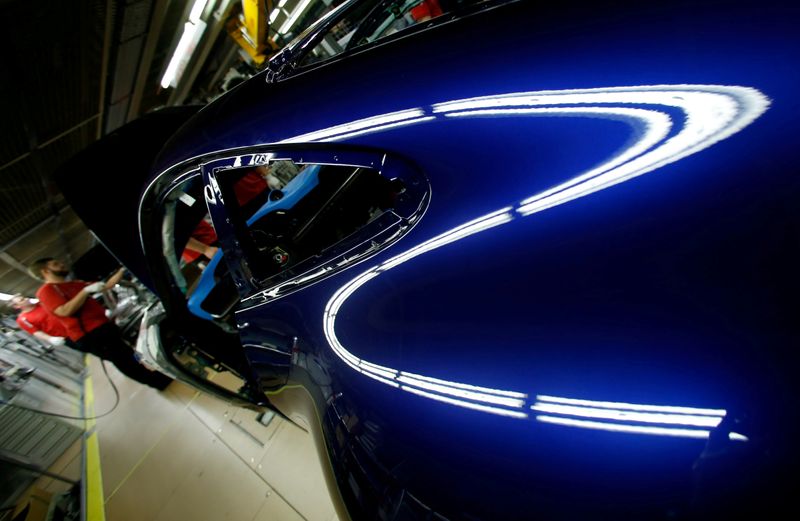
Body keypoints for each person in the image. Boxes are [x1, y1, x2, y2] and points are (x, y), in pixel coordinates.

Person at [29, 257, 172, 390]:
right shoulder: (47, 291)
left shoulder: (74, 284)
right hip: (89, 334)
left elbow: (106, 285)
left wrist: (122, 269)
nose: (61, 265)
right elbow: (64, 311)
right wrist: (85, 291)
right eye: (55, 264)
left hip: (102, 326)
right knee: (122, 359)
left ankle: (155, 376)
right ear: (45, 271)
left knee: (127, 353)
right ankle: (158, 382)